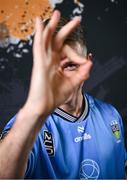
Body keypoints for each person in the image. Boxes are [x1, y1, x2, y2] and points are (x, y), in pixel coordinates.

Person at [0, 10, 126, 179]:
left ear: (88, 63)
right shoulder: (26, 127)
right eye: (52, 66)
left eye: (70, 65)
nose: (60, 77)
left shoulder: (110, 115)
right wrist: (33, 110)